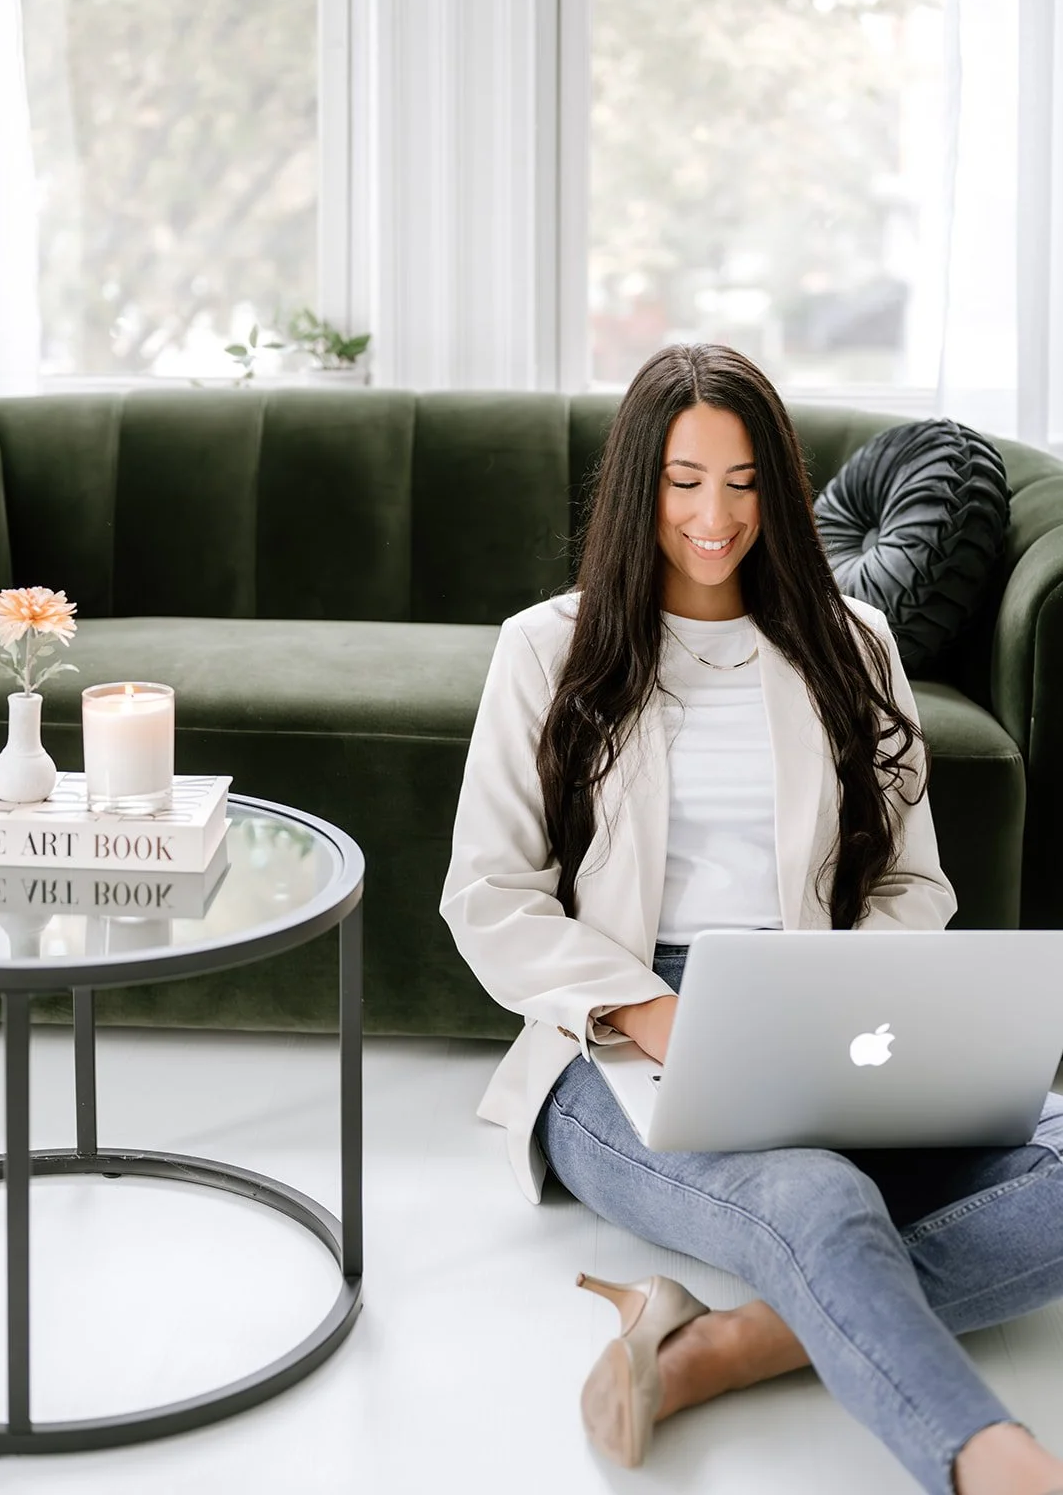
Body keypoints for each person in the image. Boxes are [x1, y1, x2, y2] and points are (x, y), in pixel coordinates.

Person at [439, 343, 1063, 1495]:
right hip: (616, 1032)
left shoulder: (853, 642)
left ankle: (721, 1346)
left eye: (742, 481)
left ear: (779, 485)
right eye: (684, 480)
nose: (715, 515)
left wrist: (836, 1006)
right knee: (820, 1196)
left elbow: (915, 885)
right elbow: (488, 892)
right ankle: (993, 1462)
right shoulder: (547, 647)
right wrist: (650, 1005)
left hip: (823, 1001)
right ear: (640, 486)